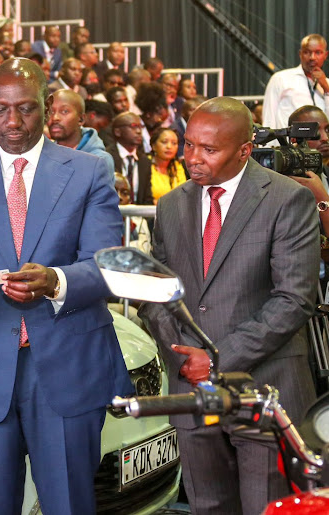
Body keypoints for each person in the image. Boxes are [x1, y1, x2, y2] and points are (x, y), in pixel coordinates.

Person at [0, 57, 131, 515]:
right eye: (0, 110)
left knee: (69, 506)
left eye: (26, 109)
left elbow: (108, 267)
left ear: (49, 106)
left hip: (66, 368)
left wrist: (56, 281)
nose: (12, 122)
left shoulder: (89, 171)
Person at [139, 97, 319, 515]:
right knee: (208, 508)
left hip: (264, 390)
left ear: (244, 149)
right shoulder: (170, 205)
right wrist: (181, 356)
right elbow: (156, 293)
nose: (193, 158)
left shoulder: (287, 199)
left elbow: (294, 299)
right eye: (188, 145)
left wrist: (217, 359)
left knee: (266, 508)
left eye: (209, 149)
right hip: (192, 395)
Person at [263, 34, 329, 129]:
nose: (312, 57)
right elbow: (269, 117)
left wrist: (326, 90)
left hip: (321, 142)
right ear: (300, 54)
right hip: (288, 143)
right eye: (307, 52)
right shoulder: (281, 78)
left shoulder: (327, 84)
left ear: (325, 55)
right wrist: (268, 143)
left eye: (318, 53)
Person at [47, 88, 114, 175]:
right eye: (51, 112)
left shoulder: (99, 160)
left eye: (64, 111)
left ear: (81, 119)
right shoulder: (42, 155)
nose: (55, 117)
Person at [288, 105, 329, 236]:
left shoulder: (327, 175)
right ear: (294, 139)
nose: (325, 138)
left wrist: (321, 198)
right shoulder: (282, 182)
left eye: (327, 130)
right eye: (315, 133)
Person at [108, 112, 154, 205]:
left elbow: (147, 199)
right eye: (133, 126)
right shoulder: (106, 157)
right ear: (118, 132)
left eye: (141, 127)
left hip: (138, 216)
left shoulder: (145, 161)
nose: (139, 131)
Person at [148, 127, 186, 203]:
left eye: (174, 143)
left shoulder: (177, 166)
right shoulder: (145, 164)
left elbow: (183, 196)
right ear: (153, 146)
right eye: (164, 142)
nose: (169, 147)